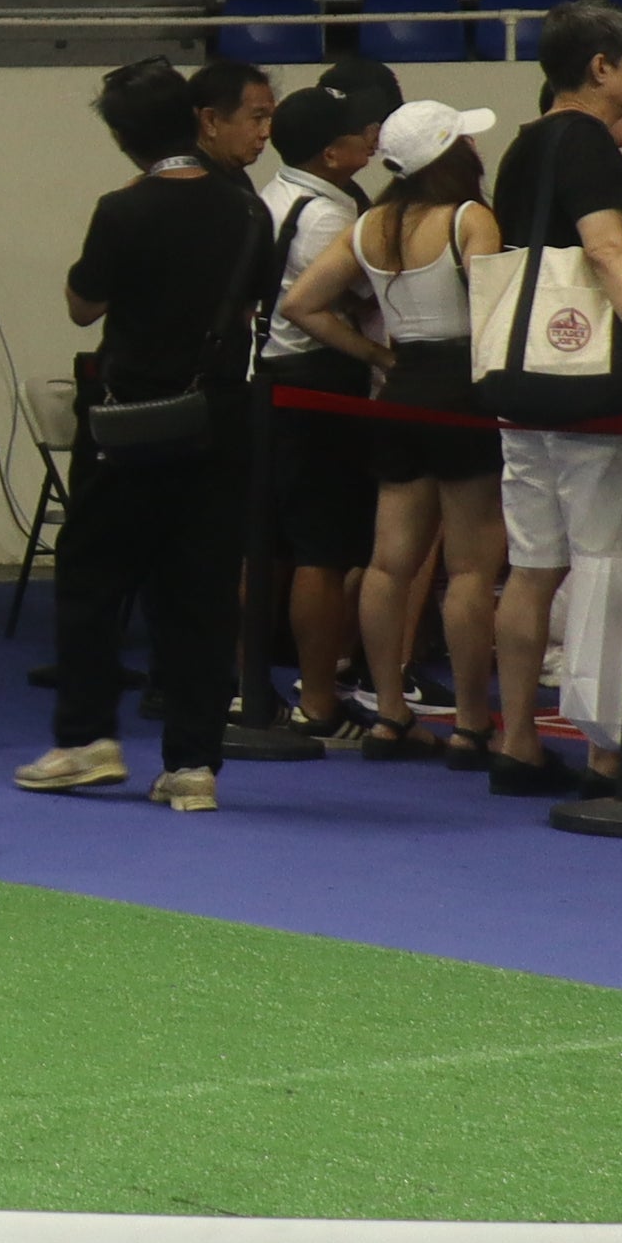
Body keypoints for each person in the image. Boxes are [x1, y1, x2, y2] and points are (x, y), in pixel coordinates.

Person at [20, 55, 272, 807]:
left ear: (124, 138)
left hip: (129, 420)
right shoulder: (249, 210)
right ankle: (193, 765)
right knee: (202, 591)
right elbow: (254, 304)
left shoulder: (122, 209)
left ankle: (87, 739)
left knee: (93, 579)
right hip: (220, 415)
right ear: (196, 120)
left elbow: (83, 306)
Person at [480, 0, 622, 796]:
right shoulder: (587, 143)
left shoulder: (525, 144)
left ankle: (517, 741)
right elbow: (607, 249)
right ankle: (611, 756)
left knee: (533, 567)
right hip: (590, 394)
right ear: (600, 68)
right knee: (609, 567)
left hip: (522, 385)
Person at [289, 98, 508, 762]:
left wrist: (379, 357)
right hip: (463, 392)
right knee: (470, 569)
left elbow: (301, 304)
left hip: (401, 388)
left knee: (389, 563)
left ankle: (388, 714)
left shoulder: (370, 225)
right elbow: (491, 314)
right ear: (451, 155)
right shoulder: (470, 218)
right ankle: (471, 724)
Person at [229, 84, 380, 754]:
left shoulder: (272, 194)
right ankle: (318, 702)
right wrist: (378, 355)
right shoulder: (332, 215)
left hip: (264, 383)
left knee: (264, 546)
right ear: (331, 152)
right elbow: (343, 300)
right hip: (317, 387)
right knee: (322, 551)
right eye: (359, 130)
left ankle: (248, 686)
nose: (371, 137)